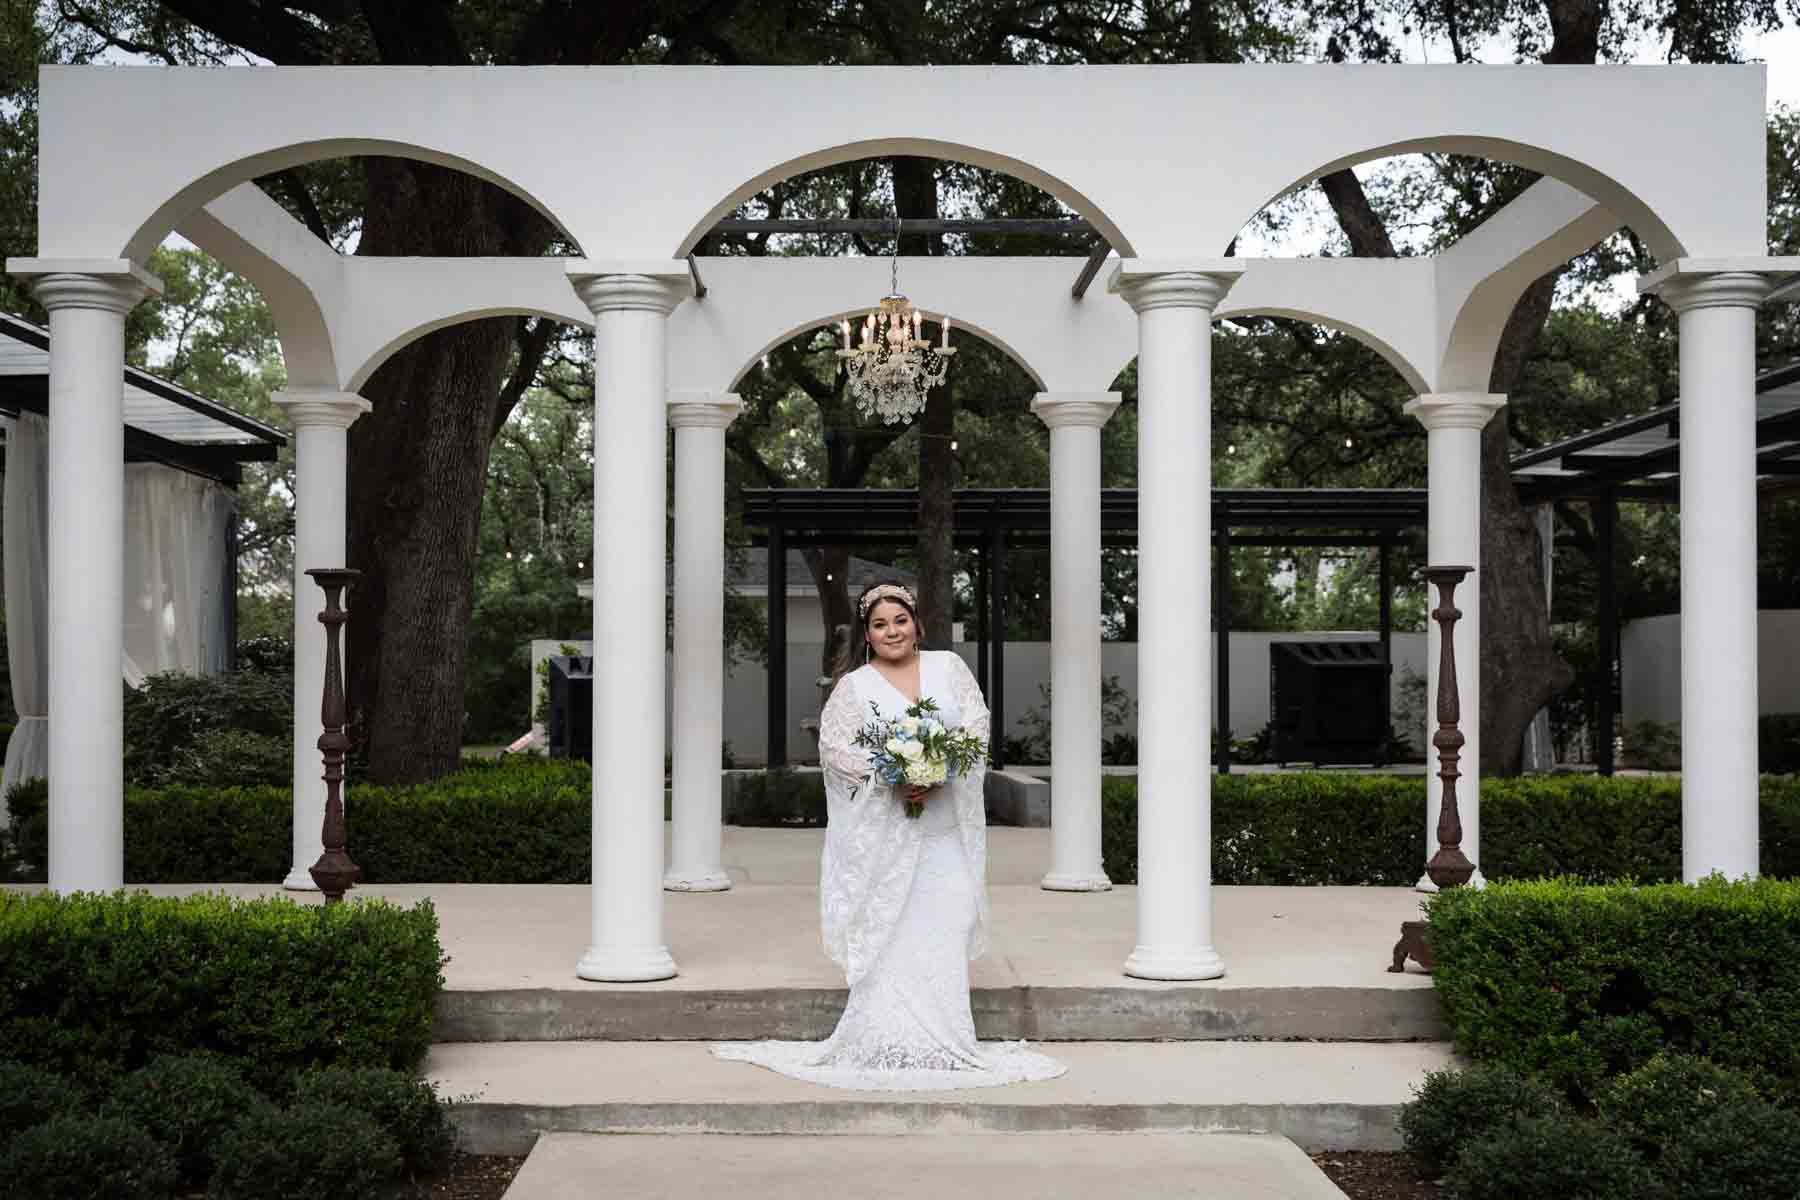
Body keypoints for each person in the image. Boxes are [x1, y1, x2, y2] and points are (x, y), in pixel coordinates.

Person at [711, 582, 1066, 1090]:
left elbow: (976, 726)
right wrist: (894, 775)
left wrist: (939, 766)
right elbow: (836, 752)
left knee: (949, 919)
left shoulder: (948, 668)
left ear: (916, 623)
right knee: (895, 930)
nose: (891, 631)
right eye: (879, 625)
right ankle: (885, 1037)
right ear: (868, 634)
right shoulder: (854, 687)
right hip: (887, 833)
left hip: (943, 828)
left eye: (899, 620)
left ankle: (947, 1041)